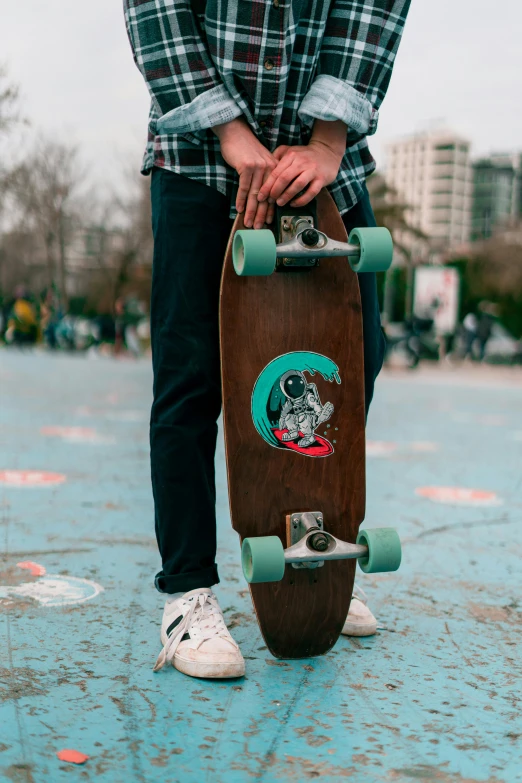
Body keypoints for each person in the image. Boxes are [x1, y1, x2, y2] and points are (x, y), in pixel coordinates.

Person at [124, 0, 411, 678]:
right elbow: (154, 6)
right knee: (190, 381)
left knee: (348, 364)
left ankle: (319, 551)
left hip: (324, 164)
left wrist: (329, 139)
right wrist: (225, 127)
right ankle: (187, 591)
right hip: (198, 152)